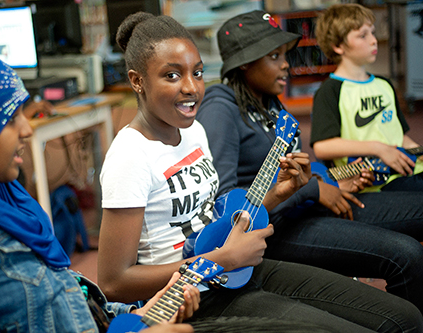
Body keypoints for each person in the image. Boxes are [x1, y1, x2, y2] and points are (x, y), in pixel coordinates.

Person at [98, 11, 423, 332]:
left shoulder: (194, 132)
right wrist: (220, 260)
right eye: (172, 76)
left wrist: (279, 194)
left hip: (237, 269)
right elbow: (114, 283)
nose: (191, 88)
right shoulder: (130, 155)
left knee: (406, 319)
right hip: (194, 297)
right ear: (137, 80)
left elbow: (215, 220)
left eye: (197, 73)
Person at [0, 47, 202, 333]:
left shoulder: (4, 197)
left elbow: (57, 294)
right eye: (9, 118)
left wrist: (134, 313)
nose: (27, 129)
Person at [195, 9, 423, 314]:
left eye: (284, 55)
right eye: (274, 56)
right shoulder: (221, 107)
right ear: (246, 63)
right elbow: (225, 203)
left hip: (305, 209)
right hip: (274, 229)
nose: (286, 64)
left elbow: (294, 173)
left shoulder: (269, 104)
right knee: (405, 255)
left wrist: (332, 180)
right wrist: (313, 190)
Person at [310, 3, 423, 192]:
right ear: (338, 46)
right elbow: (322, 146)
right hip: (375, 183)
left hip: (408, 170)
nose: (374, 40)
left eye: (372, 32)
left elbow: (399, 136)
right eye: (363, 35)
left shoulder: (384, 84)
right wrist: (378, 148)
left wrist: (419, 152)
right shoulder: (329, 91)